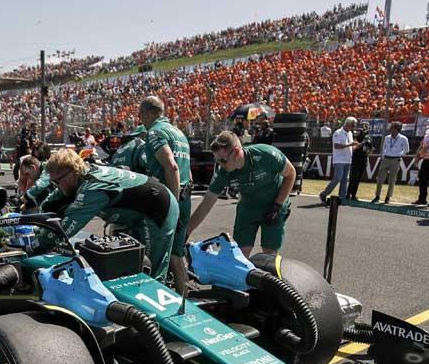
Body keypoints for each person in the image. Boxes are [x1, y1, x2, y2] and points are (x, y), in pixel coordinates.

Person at [41, 147, 178, 280]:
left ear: (71, 174)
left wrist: (37, 243)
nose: (57, 186)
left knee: (150, 272)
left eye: (57, 182)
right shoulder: (83, 175)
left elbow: (67, 227)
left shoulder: (93, 187)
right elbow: (53, 200)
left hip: (158, 209)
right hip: (138, 211)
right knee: (129, 266)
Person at [187, 131, 296, 257]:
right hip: (248, 207)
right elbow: (206, 204)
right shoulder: (223, 172)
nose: (220, 165)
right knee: (240, 256)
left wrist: (277, 205)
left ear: (237, 153)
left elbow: (291, 173)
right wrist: (185, 233)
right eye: (217, 160)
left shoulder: (266, 154)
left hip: (274, 203)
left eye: (223, 160)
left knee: (269, 255)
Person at [138, 96, 191, 292]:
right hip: (186, 195)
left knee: (158, 259)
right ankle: (185, 306)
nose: (141, 121)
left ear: (147, 113)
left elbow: (172, 166)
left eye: (141, 116)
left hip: (168, 201)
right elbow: (187, 170)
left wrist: (173, 206)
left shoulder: (155, 131)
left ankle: (157, 308)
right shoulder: (179, 133)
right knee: (177, 257)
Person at [372, 121, 410, 203]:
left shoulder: (403, 138)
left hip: (395, 160)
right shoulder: (387, 137)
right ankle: (377, 196)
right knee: (380, 179)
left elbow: (406, 150)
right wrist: (383, 156)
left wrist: (400, 155)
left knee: (392, 180)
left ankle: (388, 197)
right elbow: (383, 147)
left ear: (397, 129)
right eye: (391, 127)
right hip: (386, 159)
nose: (390, 129)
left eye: (392, 127)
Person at [320, 117, 356, 202]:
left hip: (347, 160)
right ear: (347, 124)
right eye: (352, 125)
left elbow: (350, 147)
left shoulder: (350, 133)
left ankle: (342, 198)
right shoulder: (338, 133)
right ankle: (324, 194)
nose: (353, 127)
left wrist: (359, 145)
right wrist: (350, 144)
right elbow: (336, 146)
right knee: (337, 178)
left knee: (344, 180)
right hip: (339, 160)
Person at [345, 122, 371, 200]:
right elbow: (354, 147)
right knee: (353, 178)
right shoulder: (357, 135)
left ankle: (353, 195)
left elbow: (370, 148)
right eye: (364, 126)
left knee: (358, 178)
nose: (365, 128)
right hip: (356, 159)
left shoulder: (369, 136)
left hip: (364, 159)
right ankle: (348, 194)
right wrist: (363, 143)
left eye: (367, 127)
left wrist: (368, 151)